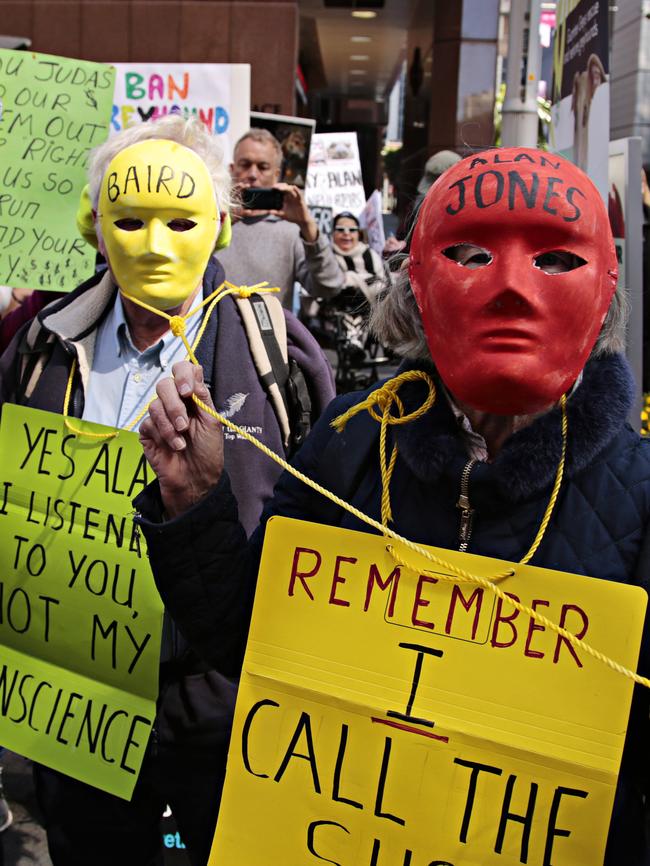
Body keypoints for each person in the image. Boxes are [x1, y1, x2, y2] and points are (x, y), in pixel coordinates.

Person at [135, 147, 650, 865]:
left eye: (555, 259)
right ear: (415, 285)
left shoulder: (639, 494)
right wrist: (195, 500)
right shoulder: (349, 446)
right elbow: (247, 639)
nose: (510, 289)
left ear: (607, 292)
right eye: (469, 254)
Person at [0, 114, 334, 866]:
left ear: (217, 227)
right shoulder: (42, 345)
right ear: (96, 227)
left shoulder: (274, 346)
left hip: (221, 696)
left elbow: (322, 508)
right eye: (129, 220)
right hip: (80, 693)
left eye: (180, 220)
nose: (153, 245)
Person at [216, 127, 345, 309]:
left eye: (263, 167)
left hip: (269, 336)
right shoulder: (212, 222)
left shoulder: (291, 231)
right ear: (232, 169)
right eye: (245, 165)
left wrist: (308, 226)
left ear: (277, 174)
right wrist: (224, 224)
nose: (253, 174)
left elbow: (329, 286)